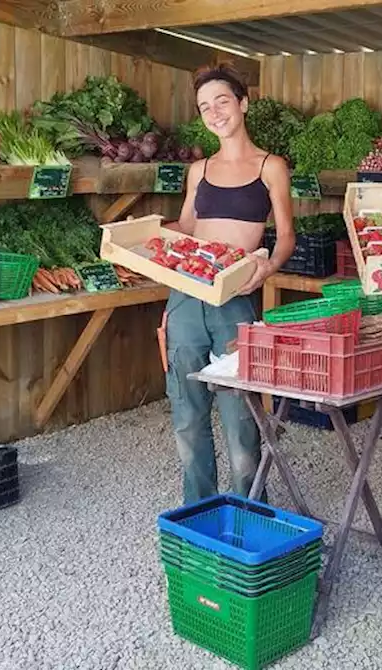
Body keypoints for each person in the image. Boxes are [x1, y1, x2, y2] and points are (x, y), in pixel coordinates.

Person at [161, 65, 295, 505]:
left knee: (240, 416)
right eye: (204, 106)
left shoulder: (270, 166)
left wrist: (267, 266)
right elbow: (184, 229)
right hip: (186, 297)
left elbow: (286, 237)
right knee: (186, 412)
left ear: (243, 103)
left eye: (222, 101)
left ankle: (247, 505)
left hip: (234, 300)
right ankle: (197, 508)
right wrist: (145, 234)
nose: (214, 112)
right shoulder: (198, 170)